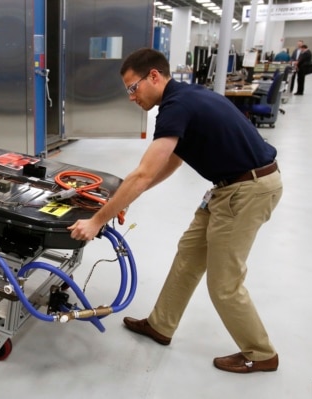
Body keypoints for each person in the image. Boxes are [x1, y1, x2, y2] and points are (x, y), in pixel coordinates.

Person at [67, 48, 283, 374]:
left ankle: (261, 353)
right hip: (228, 188)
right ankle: (161, 325)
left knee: (224, 283)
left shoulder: (176, 105)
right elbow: (171, 161)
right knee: (189, 255)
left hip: (247, 191)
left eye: (132, 87)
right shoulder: (184, 98)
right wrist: (126, 197)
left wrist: (99, 220)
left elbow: (142, 174)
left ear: (154, 76)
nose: (130, 97)